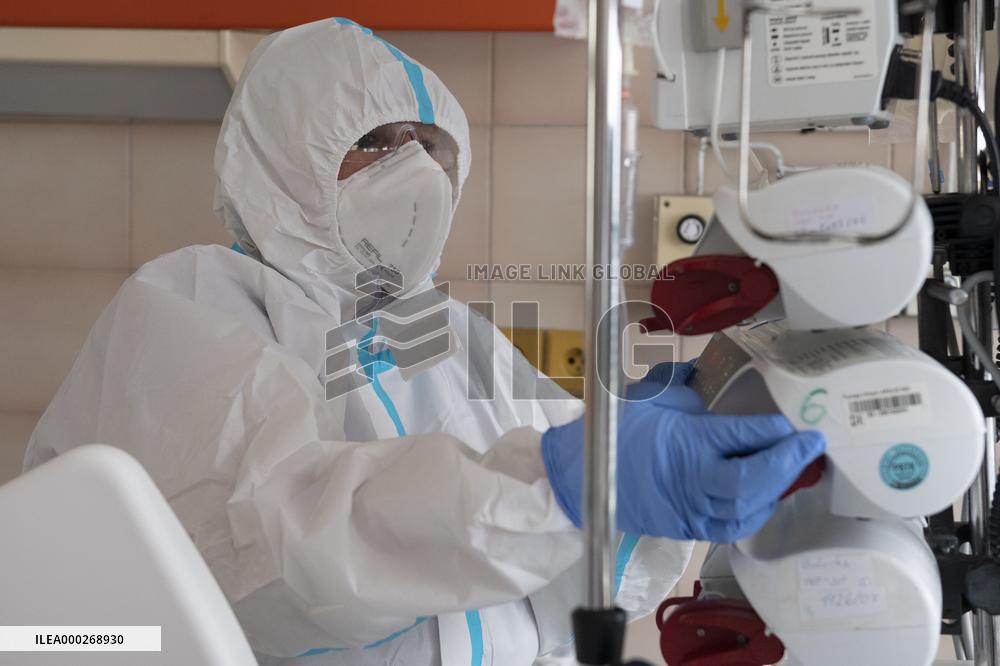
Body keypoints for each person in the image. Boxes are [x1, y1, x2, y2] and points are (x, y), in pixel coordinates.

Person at [23, 18, 825, 666]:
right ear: (282, 165)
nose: (412, 169)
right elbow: (270, 554)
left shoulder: (436, 328)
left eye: (431, 145)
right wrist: (561, 487)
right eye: (374, 140)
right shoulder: (193, 307)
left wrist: (637, 482)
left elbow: (550, 540)